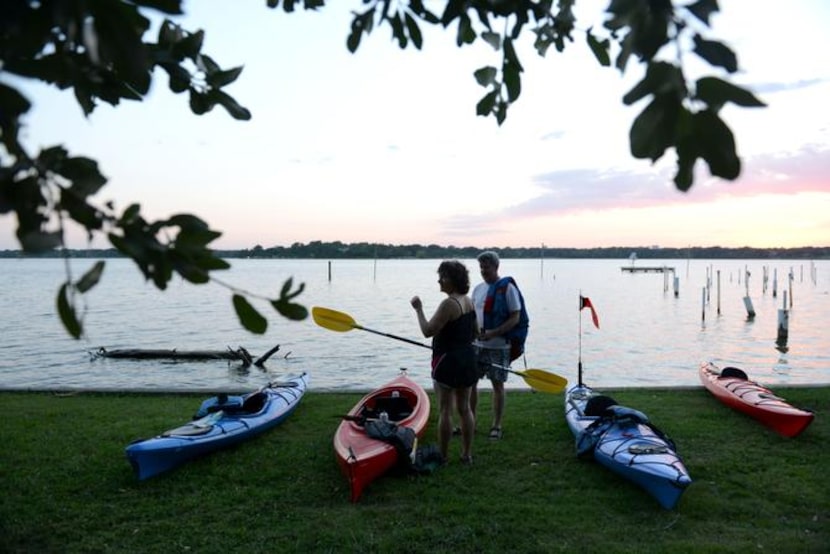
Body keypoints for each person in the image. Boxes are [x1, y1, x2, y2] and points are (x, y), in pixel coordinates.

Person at [410, 260, 477, 464]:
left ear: (454, 280)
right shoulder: (469, 301)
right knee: (464, 409)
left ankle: (444, 456)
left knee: (445, 410)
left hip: (447, 363)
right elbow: (476, 332)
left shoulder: (449, 304)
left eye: (443, 276)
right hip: (467, 361)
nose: (439, 280)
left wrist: (419, 309)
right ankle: (466, 455)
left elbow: (428, 330)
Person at [471, 250, 526, 440]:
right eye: (481, 267)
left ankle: (496, 425)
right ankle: (471, 421)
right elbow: (472, 316)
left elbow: (515, 317)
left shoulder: (507, 288)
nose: (483, 271)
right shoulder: (477, 289)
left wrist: (493, 333)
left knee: (497, 386)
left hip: (500, 346)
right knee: (471, 384)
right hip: (477, 345)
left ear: (496, 267)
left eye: (486, 267)